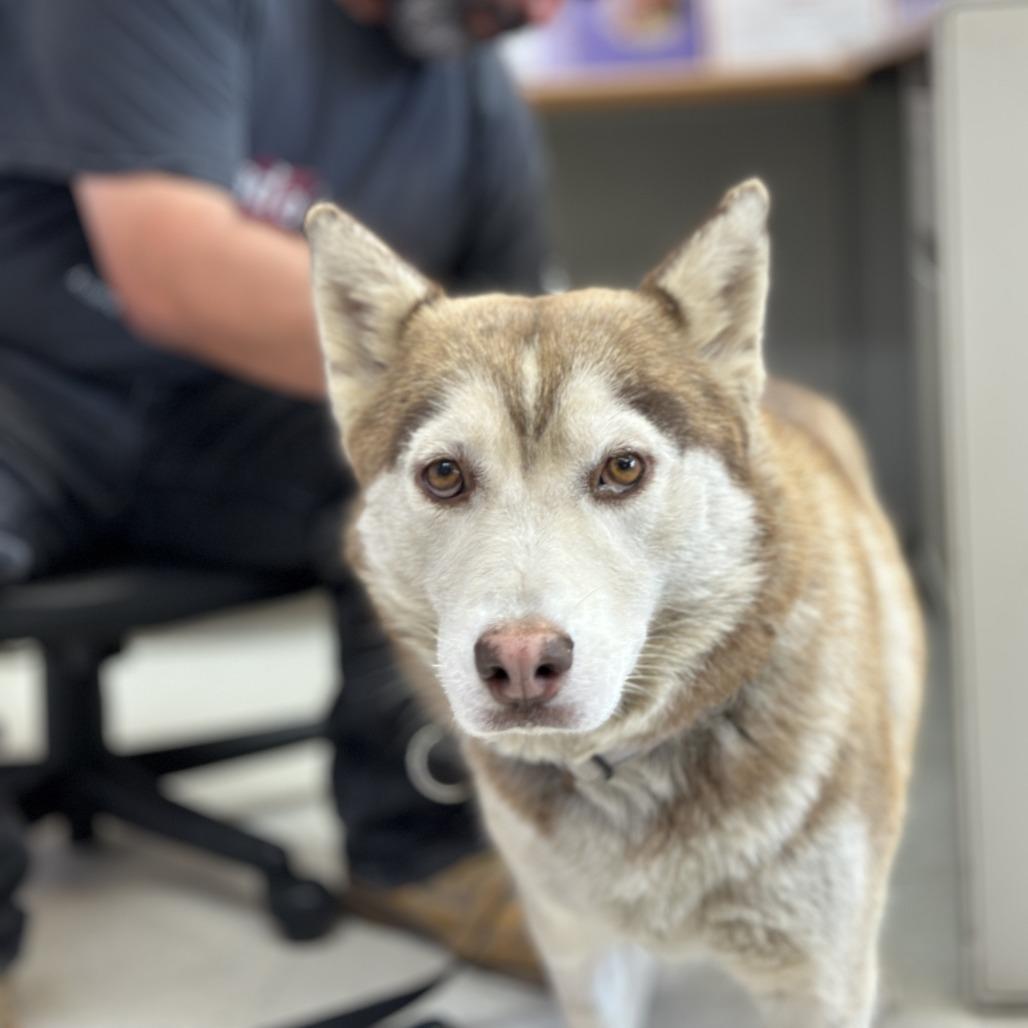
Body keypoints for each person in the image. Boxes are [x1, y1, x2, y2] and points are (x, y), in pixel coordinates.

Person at [0, 0, 554, 1010]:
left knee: (480, 481)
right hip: (33, 385)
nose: (545, 12)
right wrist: (477, 355)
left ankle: (424, 851)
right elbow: (172, 269)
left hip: (237, 427)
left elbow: (528, 370)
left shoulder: (472, 89)